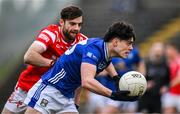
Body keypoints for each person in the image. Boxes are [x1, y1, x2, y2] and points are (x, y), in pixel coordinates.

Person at [23, 21, 139, 114]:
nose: (131, 48)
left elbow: (107, 63)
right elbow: (87, 82)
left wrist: (115, 78)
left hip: (67, 97)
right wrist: (112, 95)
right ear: (115, 42)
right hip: (50, 90)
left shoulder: (104, 50)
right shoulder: (94, 50)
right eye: (129, 43)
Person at [1, 5, 87, 114]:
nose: (76, 28)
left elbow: (81, 73)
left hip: (55, 93)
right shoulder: (51, 33)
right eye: (72, 24)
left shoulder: (83, 42)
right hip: (28, 86)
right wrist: (55, 63)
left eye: (79, 24)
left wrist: (76, 101)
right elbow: (28, 56)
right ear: (61, 22)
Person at [86, 47, 145, 114]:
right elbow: (92, 73)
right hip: (107, 89)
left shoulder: (134, 52)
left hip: (126, 89)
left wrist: (139, 78)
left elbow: (141, 65)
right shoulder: (108, 52)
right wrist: (112, 70)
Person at [138, 42, 170, 113]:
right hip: (146, 95)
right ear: (152, 50)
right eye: (156, 50)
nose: (157, 53)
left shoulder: (166, 63)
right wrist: (145, 84)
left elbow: (168, 79)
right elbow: (139, 78)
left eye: (160, 51)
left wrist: (166, 86)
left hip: (158, 96)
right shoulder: (145, 62)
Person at [162, 42, 180, 113]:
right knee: (168, 111)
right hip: (172, 93)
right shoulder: (170, 62)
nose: (166, 52)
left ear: (174, 50)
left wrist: (167, 86)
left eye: (168, 50)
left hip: (178, 94)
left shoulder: (179, 61)